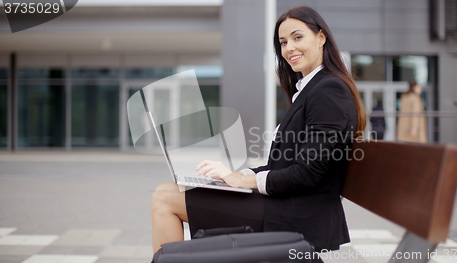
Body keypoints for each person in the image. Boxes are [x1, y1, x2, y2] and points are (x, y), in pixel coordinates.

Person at [150, 6, 366, 261]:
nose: (289, 48)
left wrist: (243, 182)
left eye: (298, 37)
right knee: (169, 191)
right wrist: (234, 177)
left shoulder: (329, 90)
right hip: (285, 205)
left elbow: (308, 172)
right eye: (283, 42)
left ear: (321, 38)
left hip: (295, 214)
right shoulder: (311, 90)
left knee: (165, 197)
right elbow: (284, 165)